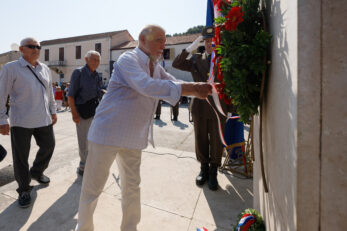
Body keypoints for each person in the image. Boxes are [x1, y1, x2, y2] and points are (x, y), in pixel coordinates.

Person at [75, 25, 212, 231]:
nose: (163, 45)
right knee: (92, 189)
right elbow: (146, 85)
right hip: (107, 134)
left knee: (132, 188)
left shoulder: (156, 66)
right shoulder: (127, 59)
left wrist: (203, 89)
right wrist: (193, 88)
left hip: (132, 138)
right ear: (142, 39)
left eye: (164, 41)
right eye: (159, 40)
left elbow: (172, 82)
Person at [0, 37, 57, 208]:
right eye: (31, 46)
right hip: (21, 121)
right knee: (20, 158)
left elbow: (50, 92)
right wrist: (2, 119)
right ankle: (24, 190)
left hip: (43, 118)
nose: (36, 49)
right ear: (21, 49)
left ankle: (37, 172)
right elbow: (1, 95)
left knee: (49, 146)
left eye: (38, 46)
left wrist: (53, 110)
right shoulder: (11, 68)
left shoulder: (45, 68)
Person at [172, 26, 230, 191]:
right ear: (203, 42)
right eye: (206, 40)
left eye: (212, 40)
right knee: (201, 138)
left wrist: (231, 107)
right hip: (200, 106)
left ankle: (213, 171)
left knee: (217, 141)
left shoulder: (223, 58)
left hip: (219, 107)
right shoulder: (197, 59)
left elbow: (230, 84)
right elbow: (177, 63)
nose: (210, 43)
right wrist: (191, 47)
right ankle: (203, 168)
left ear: (217, 41)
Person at [68, 50, 104, 176]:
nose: (96, 62)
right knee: (83, 140)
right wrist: (74, 113)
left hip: (94, 110)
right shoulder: (78, 73)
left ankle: (92, 162)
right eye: (93, 59)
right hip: (82, 111)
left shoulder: (97, 75)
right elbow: (71, 95)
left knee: (94, 138)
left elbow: (99, 91)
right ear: (86, 60)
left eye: (98, 60)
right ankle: (83, 165)